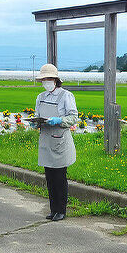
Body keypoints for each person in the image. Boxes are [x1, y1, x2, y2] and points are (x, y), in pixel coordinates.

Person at [34, 64, 78, 221]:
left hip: (60, 140)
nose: (45, 82)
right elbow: (37, 114)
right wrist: (35, 122)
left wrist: (59, 120)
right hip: (46, 139)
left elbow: (73, 117)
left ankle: (61, 210)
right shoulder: (40, 97)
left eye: (48, 79)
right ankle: (53, 209)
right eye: (43, 79)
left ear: (55, 80)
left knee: (59, 177)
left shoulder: (66, 96)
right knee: (49, 177)